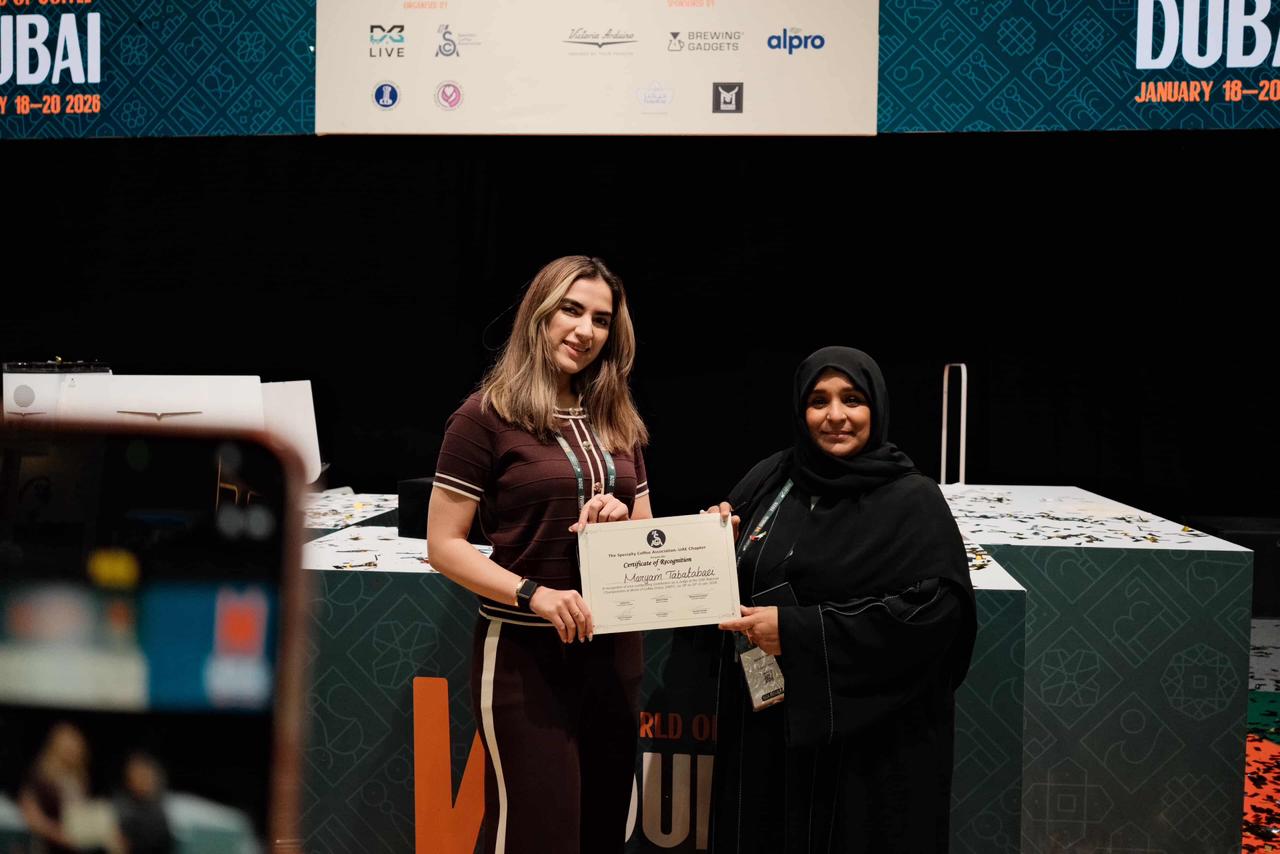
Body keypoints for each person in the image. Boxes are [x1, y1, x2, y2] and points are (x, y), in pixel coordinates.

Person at [705, 346, 976, 854]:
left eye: (852, 399)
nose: (835, 416)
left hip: (868, 752)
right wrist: (714, 539)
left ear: (875, 406)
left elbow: (937, 615)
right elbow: (727, 576)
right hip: (770, 739)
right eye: (818, 401)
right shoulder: (772, 478)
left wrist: (798, 632)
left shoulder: (911, 499)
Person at [427, 256, 651, 854]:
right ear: (539, 315)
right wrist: (536, 593)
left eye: (601, 319)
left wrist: (621, 520)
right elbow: (443, 546)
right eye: (571, 311)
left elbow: (645, 532)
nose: (585, 330)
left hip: (614, 654)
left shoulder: (617, 417)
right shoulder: (483, 417)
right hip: (526, 657)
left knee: (604, 828)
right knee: (538, 836)